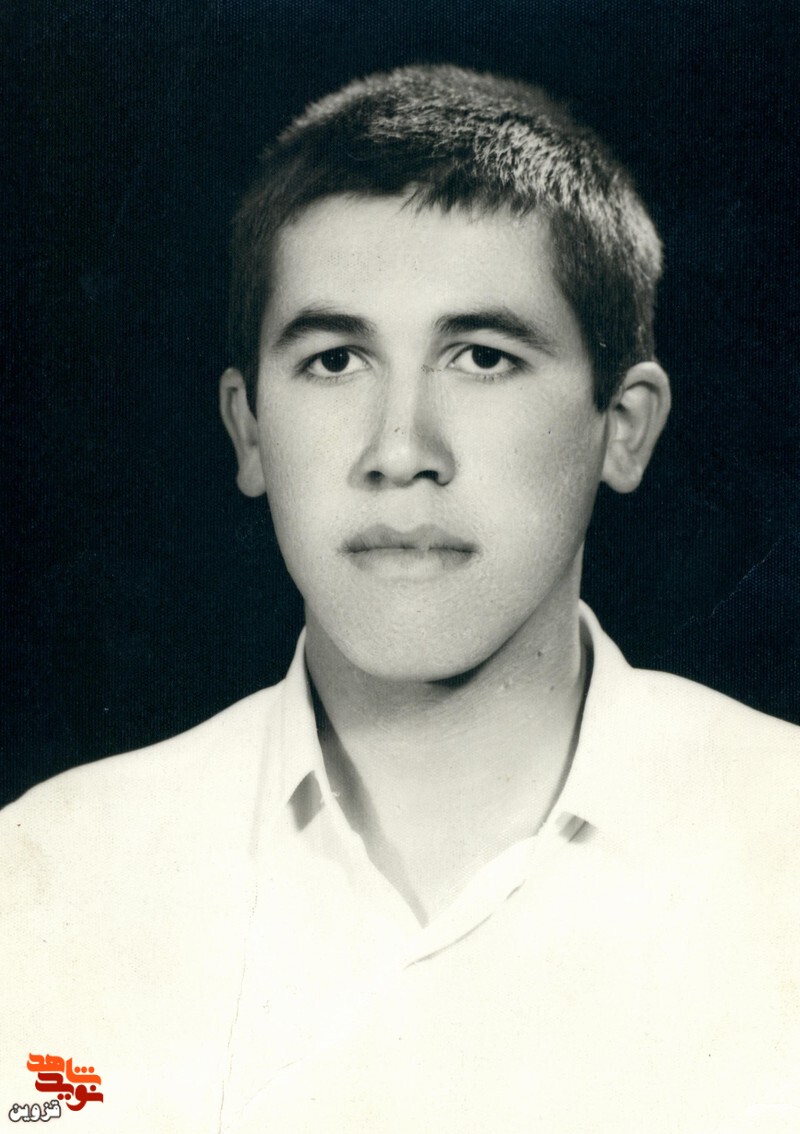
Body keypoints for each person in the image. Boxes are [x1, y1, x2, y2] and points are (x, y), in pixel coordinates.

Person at [2, 65, 798, 1133]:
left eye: (482, 357)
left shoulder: (782, 838)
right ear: (249, 430)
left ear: (623, 427)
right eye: (335, 360)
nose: (399, 450)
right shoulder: (51, 876)